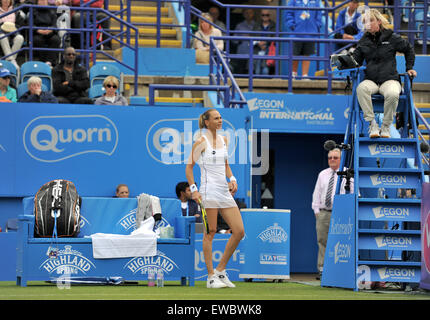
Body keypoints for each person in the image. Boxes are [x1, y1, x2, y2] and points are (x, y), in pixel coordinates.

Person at [185, 108, 244, 289]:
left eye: (221, 118)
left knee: (239, 231)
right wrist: (194, 190)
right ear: (207, 122)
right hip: (208, 191)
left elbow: (225, 165)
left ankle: (220, 270)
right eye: (216, 118)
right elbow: (189, 168)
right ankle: (210, 278)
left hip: (224, 192)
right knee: (210, 232)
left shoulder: (224, 140)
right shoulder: (201, 142)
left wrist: (232, 179)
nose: (220, 120)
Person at [351, 8, 417, 139]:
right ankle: (372, 124)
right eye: (365, 21)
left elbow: (408, 49)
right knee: (361, 89)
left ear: (379, 21)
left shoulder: (391, 37)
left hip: (390, 80)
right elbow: (355, 60)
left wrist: (409, 67)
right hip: (371, 81)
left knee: (393, 93)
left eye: (371, 20)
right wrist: (344, 61)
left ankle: (386, 126)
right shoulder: (363, 40)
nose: (368, 24)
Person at [311, 148, 353, 280]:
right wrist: (317, 211)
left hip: (342, 214)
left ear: (341, 159)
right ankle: (323, 270)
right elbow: (316, 193)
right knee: (322, 242)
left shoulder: (348, 173)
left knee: (341, 242)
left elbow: (353, 192)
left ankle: (340, 271)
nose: (332, 160)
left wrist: (347, 212)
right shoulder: (322, 174)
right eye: (330, 158)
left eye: (335, 157)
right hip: (324, 213)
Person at [285, 0, 323, 79]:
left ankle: (305, 75)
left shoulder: (316, 1)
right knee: (295, 54)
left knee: (307, 54)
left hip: (311, 33)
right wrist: (292, 25)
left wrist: (317, 26)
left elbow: (319, 14)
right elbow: (288, 13)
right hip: (296, 33)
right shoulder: (293, 1)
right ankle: (293, 74)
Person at [30, 0, 61, 66]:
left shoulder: (52, 11)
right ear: (37, 2)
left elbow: (55, 24)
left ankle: (49, 62)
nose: (43, 2)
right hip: (38, 32)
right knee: (37, 40)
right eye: (41, 0)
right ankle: (42, 61)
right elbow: (30, 24)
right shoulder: (33, 11)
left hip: (49, 32)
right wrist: (38, 30)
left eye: (45, 0)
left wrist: (51, 30)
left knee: (56, 40)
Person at [0, 0, 24, 69]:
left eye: (8, 0)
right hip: (1, 31)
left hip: (13, 32)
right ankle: (12, 60)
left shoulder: (15, 10)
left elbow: (20, 24)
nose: (6, 1)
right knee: (2, 37)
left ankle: (9, 60)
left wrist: (15, 26)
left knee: (20, 38)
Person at [232, 8, 256, 74]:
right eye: (246, 13)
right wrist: (241, 37)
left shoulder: (257, 26)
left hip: (253, 51)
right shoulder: (239, 26)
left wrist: (252, 37)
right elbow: (233, 40)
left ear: (253, 14)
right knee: (240, 71)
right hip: (241, 51)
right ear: (243, 15)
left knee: (251, 72)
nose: (248, 15)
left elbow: (260, 37)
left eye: (250, 13)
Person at [253, 9, 277, 75]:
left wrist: (265, 42)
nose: (265, 16)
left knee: (265, 70)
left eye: (267, 15)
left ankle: (264, 85)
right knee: (257, 70)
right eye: (263, 15)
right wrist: (258, 43)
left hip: (268, 50)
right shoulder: (256, 25)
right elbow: (252, 37)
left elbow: (275, 38)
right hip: (257, 50)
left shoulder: (274, 25)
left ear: (270, 16)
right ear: (261, 16)